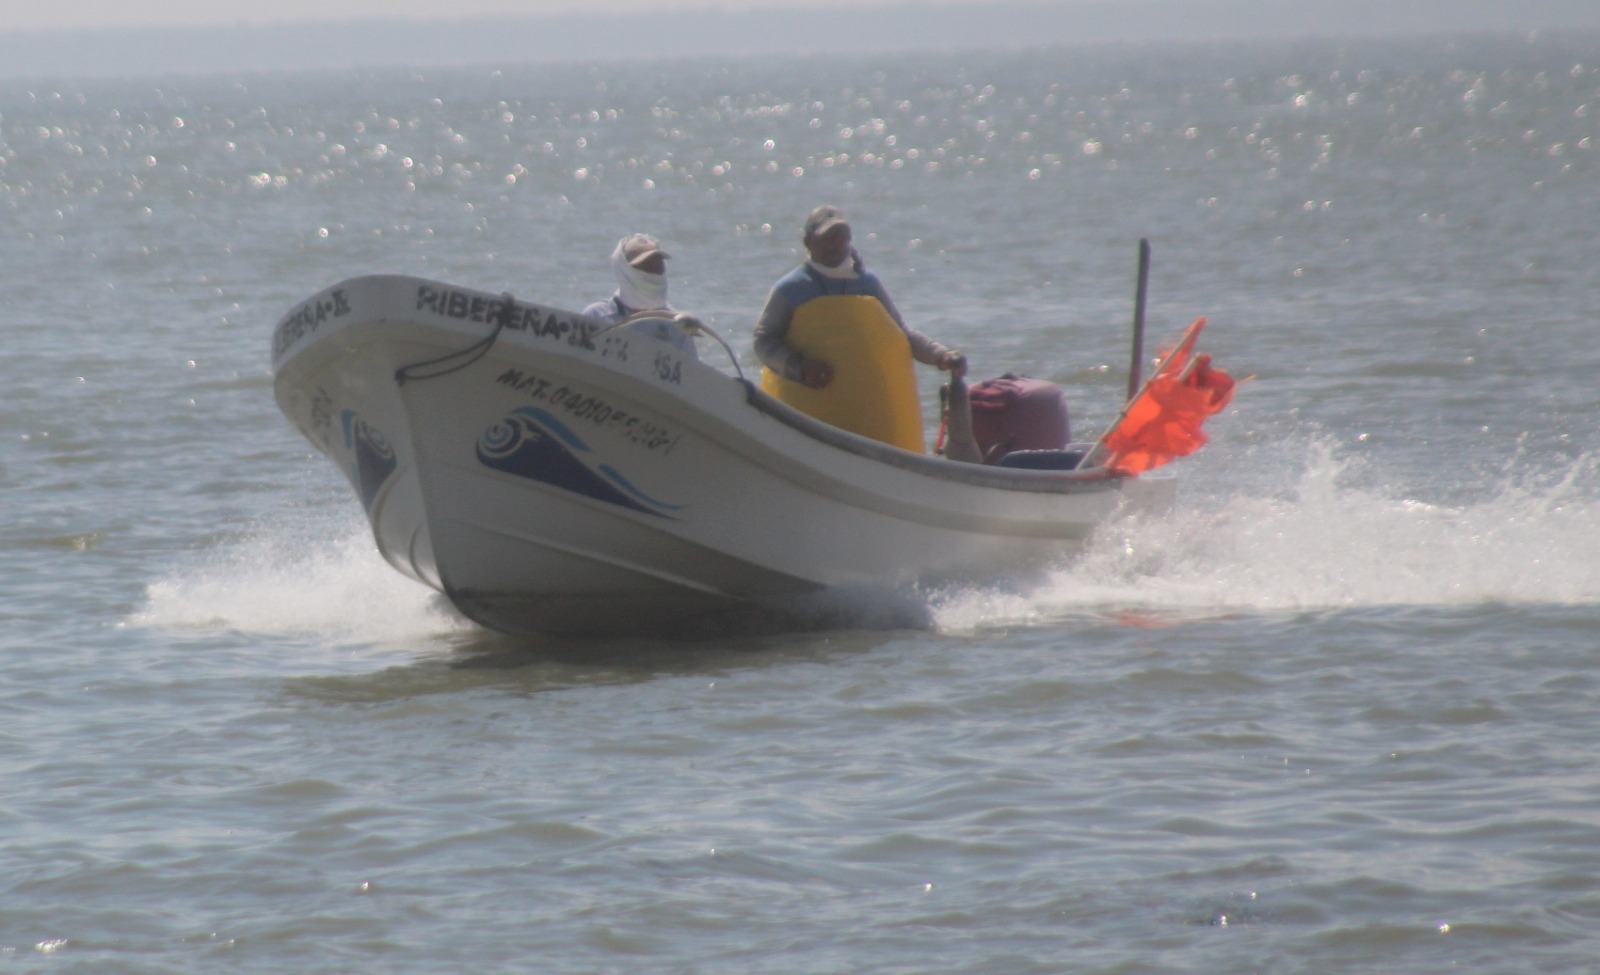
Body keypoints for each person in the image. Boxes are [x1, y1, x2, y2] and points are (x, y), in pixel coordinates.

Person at [753, 205, 965, 388]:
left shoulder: (867, 284)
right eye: (826, 238)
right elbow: (763, 340)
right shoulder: (790, 288)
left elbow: (902, 335)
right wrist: (798, 368)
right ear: (808, 242)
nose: (834, 244)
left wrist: (942, 356)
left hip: (860, 402)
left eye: (840, 236)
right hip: (804, 400)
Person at [583, 233, 699, 359]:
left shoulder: (678, 325)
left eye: (657, 265)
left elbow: (691, 375)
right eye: (646, 265)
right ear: (625, 269)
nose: (653, 271)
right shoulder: (596, 315)